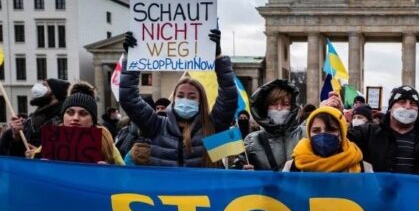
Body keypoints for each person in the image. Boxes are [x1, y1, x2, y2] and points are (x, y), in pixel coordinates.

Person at [120, 29, 238, 167]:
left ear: (201, 102)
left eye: (192, 96)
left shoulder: (212, 125)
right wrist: (131, 58)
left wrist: (218, 58)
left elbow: (228, 96)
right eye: (180, 95)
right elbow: (129, 98)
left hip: (200, 189)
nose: (185, 99)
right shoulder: (156, 125)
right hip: (165, 189)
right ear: (174, 99)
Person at [348, 85, 419, 176]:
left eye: (413, 104)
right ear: (390, 108)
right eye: (402, 102)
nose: (407, 107)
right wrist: (333, 114)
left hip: (417, 197)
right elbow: (339, 143)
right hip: (377, 197)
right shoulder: (368, 134)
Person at [26, 82, 123, 165]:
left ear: (93, 120)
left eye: (83, 113)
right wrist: (37, 163)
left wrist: (110, 173)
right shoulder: (52, 140)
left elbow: (124, 178)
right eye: (70, 113)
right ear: (63, 116)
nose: (75, 118)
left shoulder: (106, 144)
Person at [282, 106, 372, 172]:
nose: (323, 135)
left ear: (342, 135)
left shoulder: (363, 168)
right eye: (316, 130)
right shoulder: (293, 167)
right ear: (309, 134)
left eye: (331, 130)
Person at [244, 79, 304, 171]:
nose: (279, 108)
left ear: (293, 107)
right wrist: (244, 172)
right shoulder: (252, 141)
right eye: (273, 104)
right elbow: (236, 176)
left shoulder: (306, 135)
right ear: (265, 107)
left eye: (285, 104)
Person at [1, 78, 70, 157]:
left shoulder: (61, 120)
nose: (39, 87)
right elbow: (19, 153)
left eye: (45, 85)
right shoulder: (33, 118)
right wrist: (16, 136)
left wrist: (39, 153)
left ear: (55, 93)